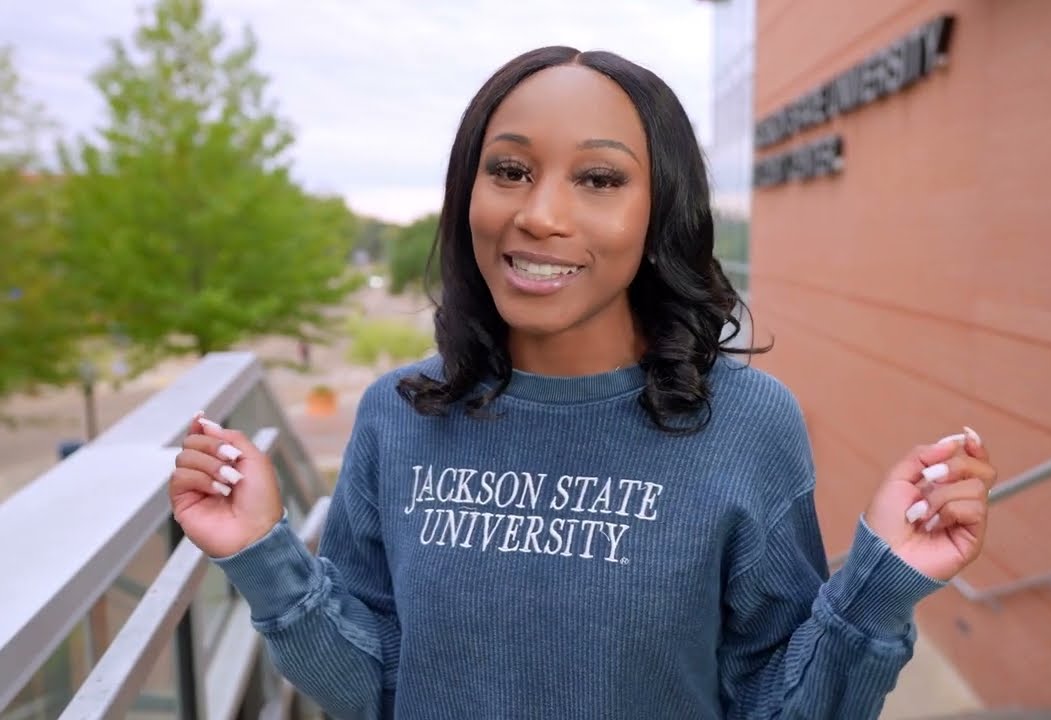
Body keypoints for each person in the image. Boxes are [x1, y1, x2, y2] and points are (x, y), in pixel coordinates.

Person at [169, 46, 997, 720]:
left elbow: (776, 706)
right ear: (469, 194)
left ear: (658, 208)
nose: (540, 215)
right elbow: (374, 688)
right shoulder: (399, 414)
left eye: (598, 179)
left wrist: (883, 582)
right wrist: (261, 554)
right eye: (510, 171)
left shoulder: (746, 424)